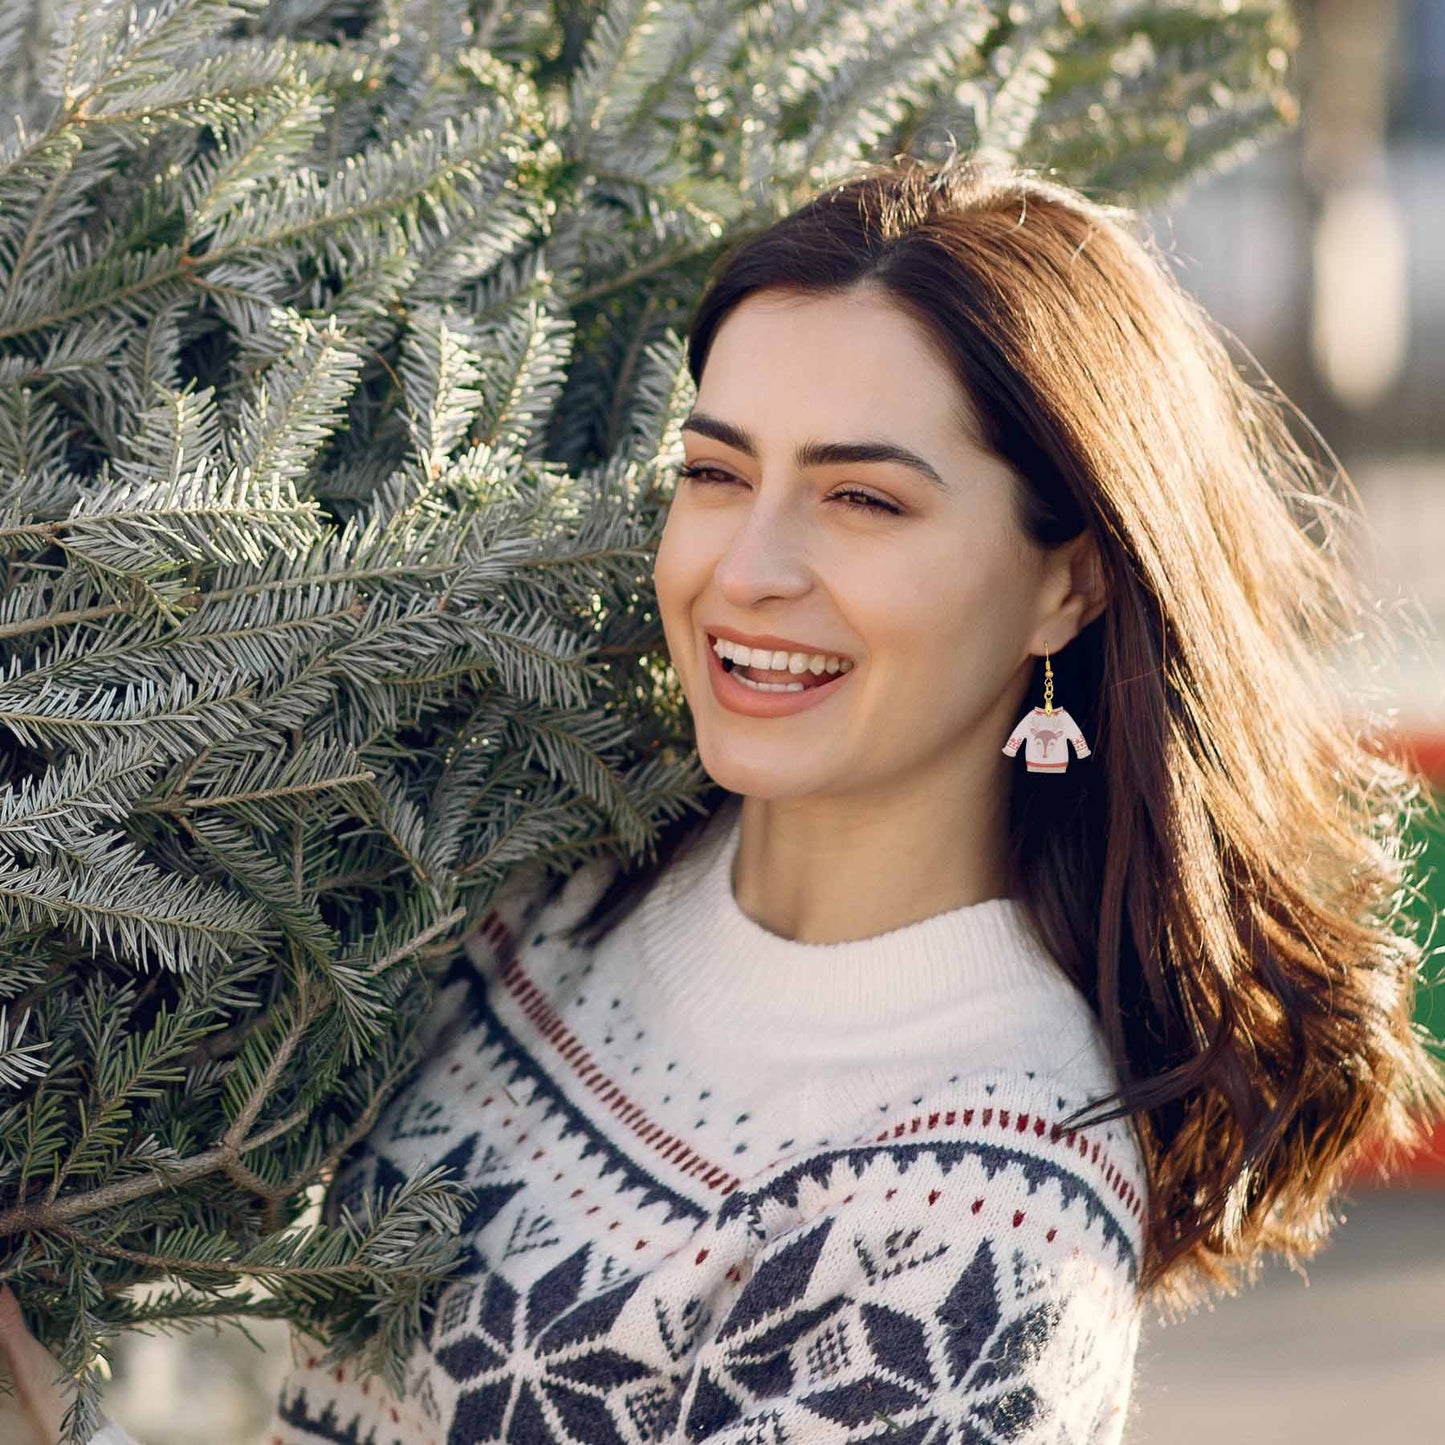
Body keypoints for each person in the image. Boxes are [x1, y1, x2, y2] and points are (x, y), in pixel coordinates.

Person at [3, 154, 1441, 1445]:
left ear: (1068, 582)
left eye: (862, 499)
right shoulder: (555, 871)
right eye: (714, 472)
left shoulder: (975, 1228)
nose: (745, 570)